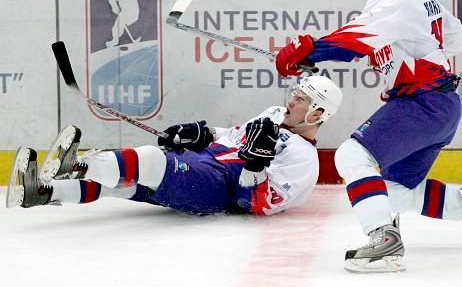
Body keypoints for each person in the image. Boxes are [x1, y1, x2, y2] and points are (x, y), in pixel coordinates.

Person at [275, 0, 462, 273]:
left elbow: (355, 37)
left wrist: (310, 51)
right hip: (443, 106)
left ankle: (383, 239)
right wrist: (390, 46)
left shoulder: (390, 0)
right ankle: (393, 235)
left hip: (422, 102)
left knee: (350, 156)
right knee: (396, 193)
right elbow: (453, 37)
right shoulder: (424, 0)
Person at [6, 76, 342, 217]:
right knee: (122, 185)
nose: (290, 101)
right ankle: (45, 192)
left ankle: (76, 165)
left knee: (149, 160)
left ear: (318, 112)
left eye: (301, 99)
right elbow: (232, 136)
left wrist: (255, 167)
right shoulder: (272, 115)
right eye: (294, 94)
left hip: (218, 189)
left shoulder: (304, 161)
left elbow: (252, 203)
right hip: (205, 161)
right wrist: (201, 132)